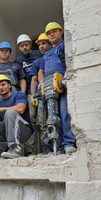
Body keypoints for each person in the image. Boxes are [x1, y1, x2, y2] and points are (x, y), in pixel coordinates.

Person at [38, 22, 77, 154]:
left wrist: (66, 78)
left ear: (61, 31)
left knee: (64, 112)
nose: (52, 34)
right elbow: (42, 71)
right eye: (49, 33)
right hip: (49, 87)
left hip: (62, 86)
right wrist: (41, 84)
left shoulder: (64, 46)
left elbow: (69, 62)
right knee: (52, 116)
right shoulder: (46, 54)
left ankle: (68, 142)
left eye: (54, 31)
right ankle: (58, 146)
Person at [0, 75, 33, 159]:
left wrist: (1, 110)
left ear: (9, 85)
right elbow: (3, 124)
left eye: (3, 84)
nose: (1, 88)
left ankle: (15, 149)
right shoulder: (0, 104)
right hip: (11, 133)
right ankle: (8, 148)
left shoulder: (18, 95)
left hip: (24, 131)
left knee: (10, 113)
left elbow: (21, 109)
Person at [14, 34, 42, 155]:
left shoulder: (38, 54)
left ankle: (46, 147)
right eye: (21, 46)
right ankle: (30, 150)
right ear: (19, 48)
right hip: (28, 94)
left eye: (26, 45)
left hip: (40, 91)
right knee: (30, 119)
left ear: (30, 44)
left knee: (42, 119)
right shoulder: (18, 61)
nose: (24, 47)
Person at [30, 33, 52, 154]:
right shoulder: (37, 62)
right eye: (39, 44)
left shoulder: (53, 56)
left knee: (54, 120)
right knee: (43, 122)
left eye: (44, 43)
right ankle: (46, 148)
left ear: (49, 43)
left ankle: (58, 146)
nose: (42, 46)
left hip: (54, 91)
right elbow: (34, 80)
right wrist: (33, 95)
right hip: (41, 95)